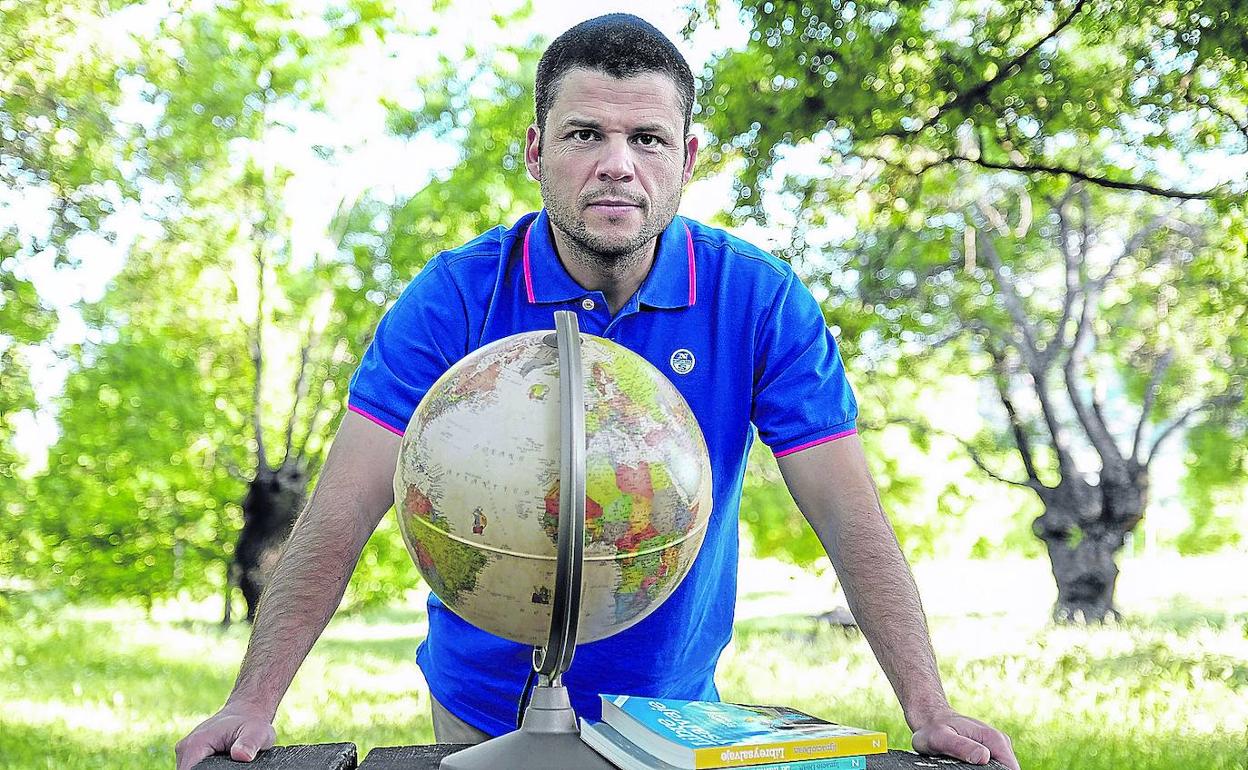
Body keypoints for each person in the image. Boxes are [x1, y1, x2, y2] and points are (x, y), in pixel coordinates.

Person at [175, 14, 1020, 770]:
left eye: (648, 139)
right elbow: (343, 507)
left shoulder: (758, 299)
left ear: (686, 159)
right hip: (478, 716)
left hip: (672, 717)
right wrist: (252, 702)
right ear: (536, 150)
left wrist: (929, 709)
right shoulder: (454, 296)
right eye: (585, 134)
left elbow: (846, 511)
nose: (618, 165)